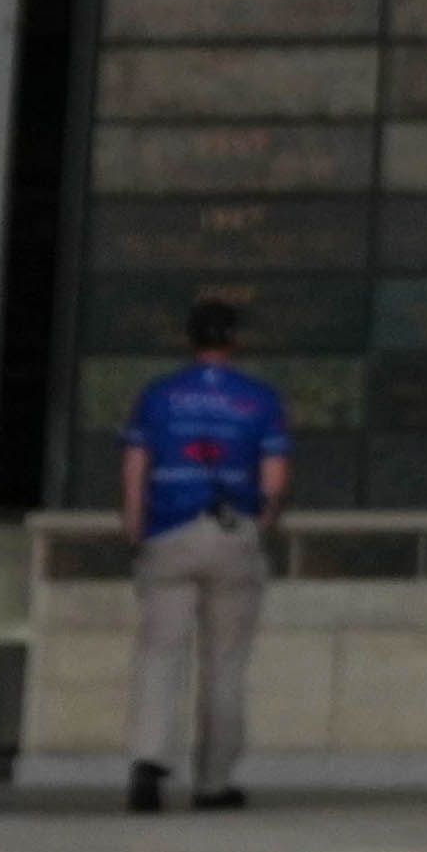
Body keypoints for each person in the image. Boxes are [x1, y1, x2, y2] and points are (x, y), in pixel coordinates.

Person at [119, 300, 295, 815]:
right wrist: (261, 524)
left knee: (159, 654)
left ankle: (149, 762)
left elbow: (135, 466)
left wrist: (135, 523)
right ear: (234, 341)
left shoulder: (158, 395)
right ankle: (214, 782)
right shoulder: (259, 398)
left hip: (169, 531)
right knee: (225, 664)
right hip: (232, 530)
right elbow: (274, 477)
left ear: (190, 339)